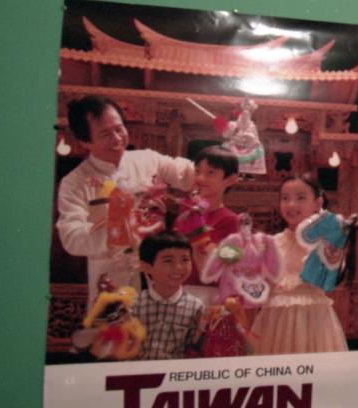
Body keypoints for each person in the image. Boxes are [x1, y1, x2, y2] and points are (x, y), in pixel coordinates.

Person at [57, 95, 195, 304]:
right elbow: (72, 238)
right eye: (105, 134)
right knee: (116, 322)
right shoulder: (75, 182)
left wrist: (224, 160)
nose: (117, 138)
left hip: (160, 274)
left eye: (119, 128)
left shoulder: (147, 159)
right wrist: (117, 229)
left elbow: (189, 175)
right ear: (85, 141)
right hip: (112, 278)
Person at [251, 175, 349, 354]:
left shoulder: (326, 243)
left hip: (315, 325)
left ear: (317, 203)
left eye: (300, 198)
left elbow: (332, 279)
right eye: (285, 198)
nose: (291, 205)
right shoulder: (270, 244)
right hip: (275, 326)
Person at [174, 145, 242, 305]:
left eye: (210, 173)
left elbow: (208, 271)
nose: (200, 178)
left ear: (230, 179)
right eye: (198, 171)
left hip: (206, 296)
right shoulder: (186, 212)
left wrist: (196, 231)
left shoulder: (230, 220)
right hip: (176, 289)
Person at [133, 231, 205, 360]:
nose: (178, 267)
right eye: (168, 261)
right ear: (147, 267)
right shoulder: (133, 305)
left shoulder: (196, 307)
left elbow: (195, 350)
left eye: (185, 259)